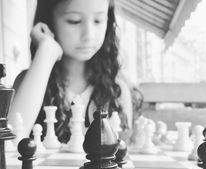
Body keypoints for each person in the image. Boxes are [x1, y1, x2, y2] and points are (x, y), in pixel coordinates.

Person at [9, 0, 133, 143]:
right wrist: (46, 51)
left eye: (98, 20)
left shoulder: (118, 91)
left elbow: (122, 155)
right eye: (75, 21)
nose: (89, 35)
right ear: (49, 20)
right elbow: (9, 143)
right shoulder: (27, 81)